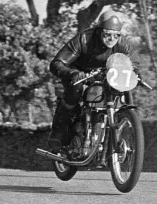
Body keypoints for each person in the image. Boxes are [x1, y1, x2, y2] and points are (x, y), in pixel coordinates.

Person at [48, 10, 136, 152]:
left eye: (116, 35)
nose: (112, 38)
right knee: (74, 92)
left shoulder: (123, 45)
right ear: (99, 31)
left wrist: (135, 72)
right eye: (107, 34)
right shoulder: (83, 39)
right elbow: (56, 63)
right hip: (78, 75)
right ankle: (57, 134)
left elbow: (130, 65)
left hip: (104, 76)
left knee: (119, 90)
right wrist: (73, 73)